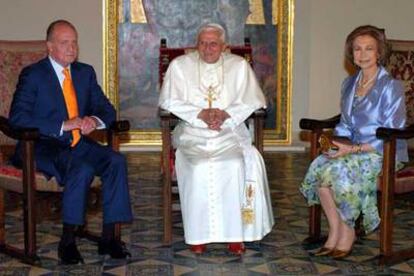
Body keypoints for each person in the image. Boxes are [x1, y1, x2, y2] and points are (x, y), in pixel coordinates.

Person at [9, 20, 133, 264]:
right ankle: (67, 239)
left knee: (116, 161)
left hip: (79, 144)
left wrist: (92, 121)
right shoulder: (33, 75)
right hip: (41, 145)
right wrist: (64, 125)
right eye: (64, 43)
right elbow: (18, 117)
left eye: (74, 42)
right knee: (82, 167)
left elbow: (107, 110)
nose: (71, 48)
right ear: (50, 46)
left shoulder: (84, 73)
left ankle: (109, 237)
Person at [159, 23, 274, 254]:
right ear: (196, 44)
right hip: (192, 135)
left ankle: (235, 235)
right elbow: (168, 101)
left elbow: (254, 101)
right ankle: (198, 236)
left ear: (224, 47)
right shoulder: (180, 66)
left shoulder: (239, 66)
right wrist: (199, 114)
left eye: (213, 44)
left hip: (229, 134)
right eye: (203, 43)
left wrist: (226, 115)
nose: (207, 49)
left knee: (233, 165)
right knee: (199, 167)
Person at [300, 25, 408, 259]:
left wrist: (354, 149)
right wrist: (335, 143)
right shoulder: (349, 84)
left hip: (383, 151)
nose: (363, 54)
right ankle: (335, 231)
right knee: (321, 167)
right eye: (357, 49)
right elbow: (345, 124)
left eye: (369, 48)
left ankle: (348, 232)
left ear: (379, 52)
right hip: (353, 150)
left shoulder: (391, 87)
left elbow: (394, 130)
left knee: (339, 170)